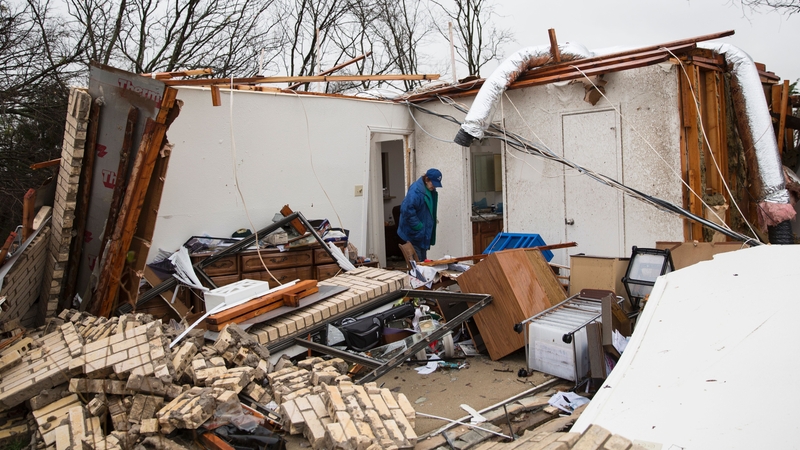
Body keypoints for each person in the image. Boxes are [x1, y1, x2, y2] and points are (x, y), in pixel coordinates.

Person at [398, 168, 442, 261]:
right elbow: (406, 210)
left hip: (422, 235)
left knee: (422, 264)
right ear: (426, 179)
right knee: (418, 266)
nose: (434, 187)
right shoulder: (416, 191)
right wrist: (418, 226)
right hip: (415, 234)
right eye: (433, 184)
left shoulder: (429, 190)